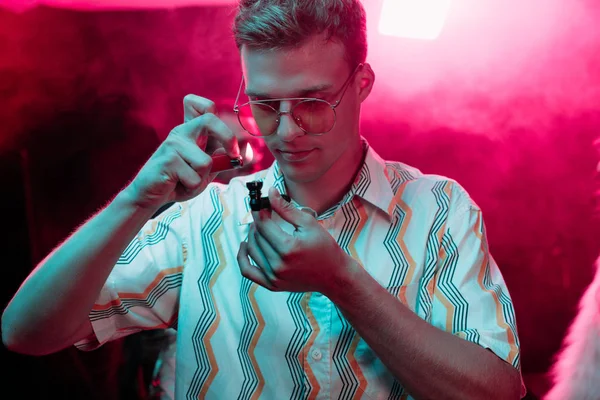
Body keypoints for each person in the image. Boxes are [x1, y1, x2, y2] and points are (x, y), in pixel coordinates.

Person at [2, 1, 524, 398]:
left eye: (314, 103)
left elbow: (498, 390)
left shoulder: (440, 210)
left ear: (362, 83)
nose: (287, 129)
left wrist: (341, 281)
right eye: (264, 104)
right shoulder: (204, 219)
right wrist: (136, 199)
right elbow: (26, 332)